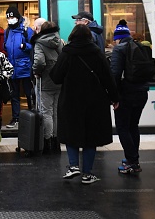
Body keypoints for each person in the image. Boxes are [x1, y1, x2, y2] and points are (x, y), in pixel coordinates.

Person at [50, 24, 119, 184]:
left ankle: (73, 166)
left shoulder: (67, 52)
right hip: (95, 101)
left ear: (72, 36)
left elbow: (56, 77)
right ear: (89, 36)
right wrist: (115, 98)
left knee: (71, 133)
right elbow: (108, 78)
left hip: (71, 100)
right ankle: (87, 174)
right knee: (91, 137)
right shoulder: (96, 52)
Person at [110, 20, 149, 174]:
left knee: (123, 128)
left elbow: (114, 75)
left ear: (118, 38)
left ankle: (132, 162)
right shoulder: (141, 46)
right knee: (133, 126)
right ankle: (133, 158)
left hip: (126, 95)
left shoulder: (119, 50)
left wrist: (114, 98)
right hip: (142, 93)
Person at [31, 21, 63, 154]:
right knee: (56, 112)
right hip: (59, 81)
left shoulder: (39, 43)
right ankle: (56, 141)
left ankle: (47, 141)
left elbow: (39, 62)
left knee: (46, 112)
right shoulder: (60, 41)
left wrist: (36, 71)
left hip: (46, 81)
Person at [3, 6, 34, 128]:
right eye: (8, 17)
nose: (10, 19)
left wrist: (24, 46)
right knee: (14, 95)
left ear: (18, 17)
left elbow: (33, 46)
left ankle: (32, 116)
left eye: (12, 17)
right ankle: (15, 118)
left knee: (28, 93)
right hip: (12, 67)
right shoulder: (7, 31)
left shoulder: (27, 30)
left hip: (25, 67)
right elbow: (6, 46)